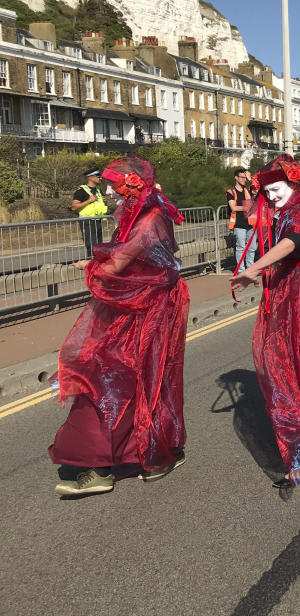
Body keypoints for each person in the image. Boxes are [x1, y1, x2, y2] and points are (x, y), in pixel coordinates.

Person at [51, 156, 189, 496]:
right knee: (134, 378)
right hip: (139, 305)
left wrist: (96, 267)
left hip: (146, 310)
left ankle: (116, 463)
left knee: (116, 378)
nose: (112, 196)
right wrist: (99, 259)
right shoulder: (144, 215)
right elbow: (134, 254)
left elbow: (121, 262)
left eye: (116, 189)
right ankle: (148, 455)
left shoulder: (149, 218)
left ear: (132, 187)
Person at [230, 156, 300, 490]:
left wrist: (255, 268)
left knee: (287, 367)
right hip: (297, 292)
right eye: (268, 191)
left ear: (295, 184)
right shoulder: (298, 208)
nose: (273, 196)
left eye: (277, 189)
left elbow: (292, 240)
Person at [72, 168, 112, 258]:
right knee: (91, 246)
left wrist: (104, 202)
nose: (100, 178)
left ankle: (97, 264)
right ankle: (91, 264)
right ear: (91, 177)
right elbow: (74, 207)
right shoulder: (81, 191)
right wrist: (88, 201)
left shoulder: (99, 190)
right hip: (87, 221)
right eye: (98, 176)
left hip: (97, 220)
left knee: (99, 245)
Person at [227, 168, 258, 271]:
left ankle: (250, 268)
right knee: (240, 247)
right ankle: (241, 270)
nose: (244, 179)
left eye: (245, 178)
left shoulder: (248, 189)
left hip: (251, 222)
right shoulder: (231, 191)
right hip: (239, 223)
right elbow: (233, 207)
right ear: (236, 178)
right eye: (242, 177)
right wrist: (247, 207)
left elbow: (257, 190)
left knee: (252, 248)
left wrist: (251, 179)